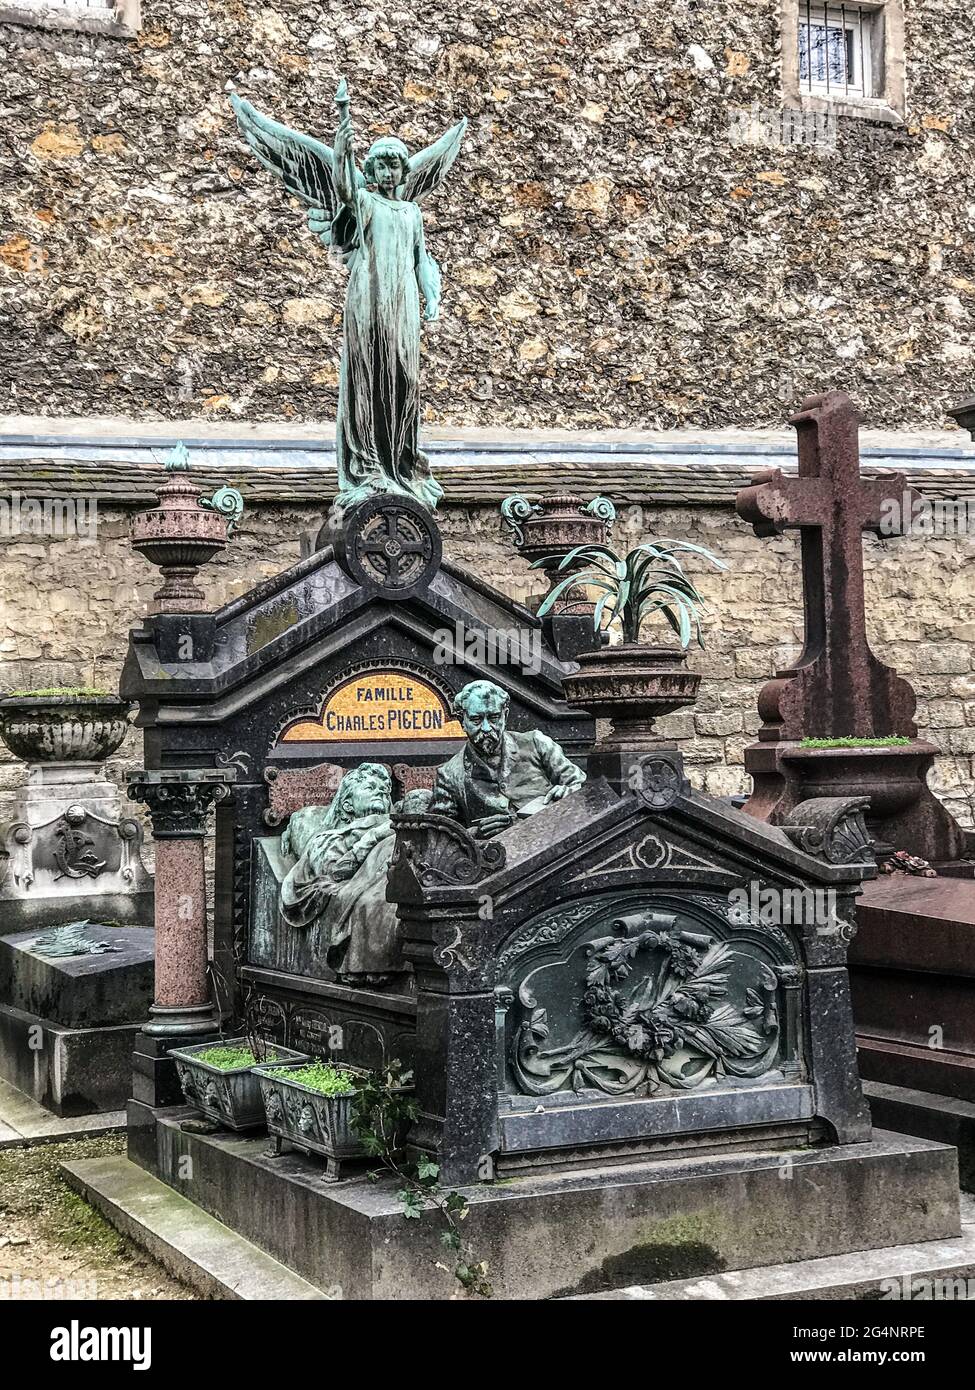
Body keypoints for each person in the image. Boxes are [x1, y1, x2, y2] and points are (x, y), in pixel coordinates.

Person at [429, 680, 585, 838]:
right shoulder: (449, 774)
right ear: (463, 722)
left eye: (493, 718)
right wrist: (475, 833)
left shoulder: (537, 743)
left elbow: (583, 787)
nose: (486, 728)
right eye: (476, 720)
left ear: (506, 715)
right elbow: (440, 838)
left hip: (554, 840)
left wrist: (568, 791)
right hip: (499, 856)